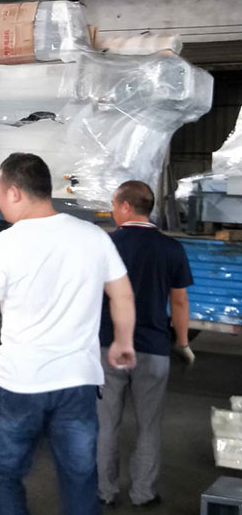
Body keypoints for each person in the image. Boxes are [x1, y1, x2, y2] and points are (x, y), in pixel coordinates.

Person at [0, 153, 137, 515]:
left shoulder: (5, 244)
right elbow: (123, 294)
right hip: (78, 383)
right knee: (80, 478)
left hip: (20, 384)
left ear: (15, 192)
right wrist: (123, 341)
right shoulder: (93, 237)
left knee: (3, 473)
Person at [97, 180, 195, 508]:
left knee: (106, 423)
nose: (113, 210)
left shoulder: (106, 245)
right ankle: (143, 493)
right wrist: (182, 343)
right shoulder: (171, 248)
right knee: (149, 425)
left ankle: (105, 491)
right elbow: (179, 302)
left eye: (114, 204)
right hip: (153, 349)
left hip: (107, 347)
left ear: (126, 206)